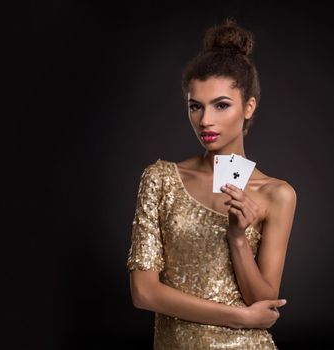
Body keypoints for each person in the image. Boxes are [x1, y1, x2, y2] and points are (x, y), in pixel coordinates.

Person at [126, 17, 297, 349]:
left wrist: (237, 237)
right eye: (195, 107)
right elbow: (144, 292)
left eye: (221, 105)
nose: (205, 120)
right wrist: (239, 318)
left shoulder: (277, 194)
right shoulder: (161, 179)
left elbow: (264, 304)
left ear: (248, 107)